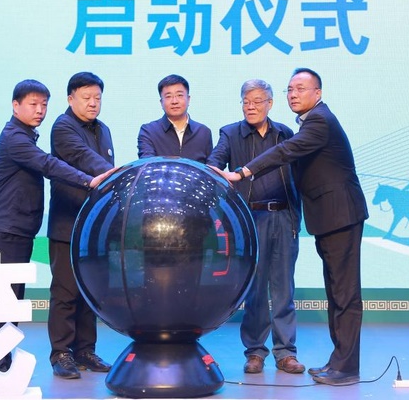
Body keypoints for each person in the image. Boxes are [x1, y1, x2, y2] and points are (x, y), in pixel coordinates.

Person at [214, 68, 368, 387]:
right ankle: (338, 362)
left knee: (343, 293)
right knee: (334, 292)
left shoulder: (316, 122)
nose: (294, 94)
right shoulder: (237, 133)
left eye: (300, 88)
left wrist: (243, 172)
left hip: (337, 215)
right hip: (305, 218)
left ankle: (344, 366)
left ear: (317, 93)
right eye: (290, 89)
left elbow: (285, 153)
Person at [0, 79, 114, 373]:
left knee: (12, 298)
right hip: (3, 230)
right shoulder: (15, 138)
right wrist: (89, 180)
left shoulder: (28, 136)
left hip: (19, 229)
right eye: (33, 104)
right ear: (15, 106)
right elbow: (49, 164)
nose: (40, 110)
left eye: (43, 105)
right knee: (0, 298)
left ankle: (2, 362)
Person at [207, 79, 304, 375]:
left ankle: (286, 353)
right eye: (246, 101)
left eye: (257, 101)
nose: (251, 107)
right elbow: (214, 163)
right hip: (251, 219)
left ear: (270, 104)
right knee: (256, 289)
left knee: (284, 287)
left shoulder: (284, 133)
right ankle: (255, 352)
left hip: (284, 217)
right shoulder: (230, 133)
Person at [47, 72, 115, 379]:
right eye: (86, 97)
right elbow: (83, 157)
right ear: (70, 98)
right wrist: (116, 173)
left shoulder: (104, 129)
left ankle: (85, 351)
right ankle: (61, 353)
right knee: (66, 291)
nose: (93, 103)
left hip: (94, 226)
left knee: (90, 290)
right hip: (67, 224)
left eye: (97, 98)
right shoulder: (63, 127)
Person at [137, 74, 213, 162]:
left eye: (179, 95)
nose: (174, 101)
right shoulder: (149, 131)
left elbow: (209, 168)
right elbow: (147, 164)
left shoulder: (203, 132)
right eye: (168, 96)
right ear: (161, 102)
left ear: (188, 99)